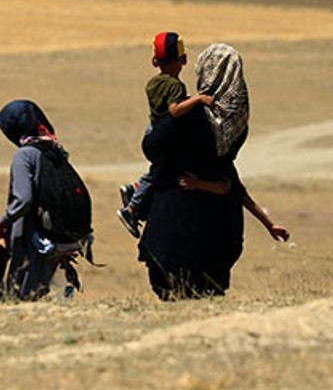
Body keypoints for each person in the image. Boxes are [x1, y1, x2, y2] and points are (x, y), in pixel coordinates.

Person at [138, 43, 287, 300]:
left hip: (174, 226)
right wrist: (268, 223)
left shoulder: (190, 116)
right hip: (218, 232)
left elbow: (151, 148)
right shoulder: (236, 123)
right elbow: (231, 183)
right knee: (207, 296)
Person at [117, 31, 214, 238]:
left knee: (157, 170)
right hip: (164, 137)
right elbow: (175, 110)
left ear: (155, 61)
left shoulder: (153, 83)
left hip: (152, 130)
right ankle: (132, 210)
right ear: (184, 59)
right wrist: (198, 100)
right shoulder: (175, 86)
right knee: (161, 171)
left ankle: (134, 188)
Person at [0, 99, 92, 301]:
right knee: (46, 297)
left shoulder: (25, 155)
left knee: (22, 297)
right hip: (61, 237)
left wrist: (0, 224)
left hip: (34, 238)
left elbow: (23, 200)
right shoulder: (54, 150)